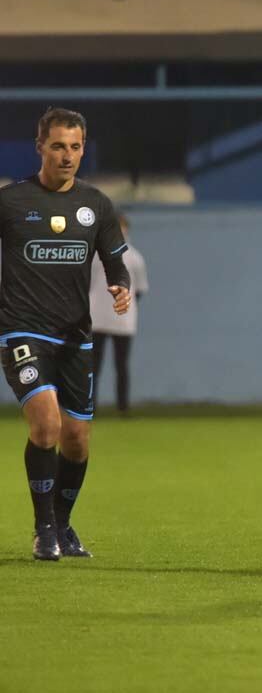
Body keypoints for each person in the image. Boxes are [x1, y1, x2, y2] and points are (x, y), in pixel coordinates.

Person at [0, 108, 131, 561]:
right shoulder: (12, 201)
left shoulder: (96, 205)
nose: (68, 155)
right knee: (47, 425)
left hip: (75, 337)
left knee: (76, 439)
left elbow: (115, 263)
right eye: (58, 146)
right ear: (40, 147)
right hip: (22, 330)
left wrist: (121, 287)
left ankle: (64, 523)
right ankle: (44, 531)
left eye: (75, 146)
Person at [90, 214, 148, 415]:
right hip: (96, 318)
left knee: (121, 365)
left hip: (124, 320)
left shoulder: (134, 258)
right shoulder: (94, 255)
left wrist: (124, 304)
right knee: (93, 366)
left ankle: (123, 407)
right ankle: (91, 407)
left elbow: (139, 290)